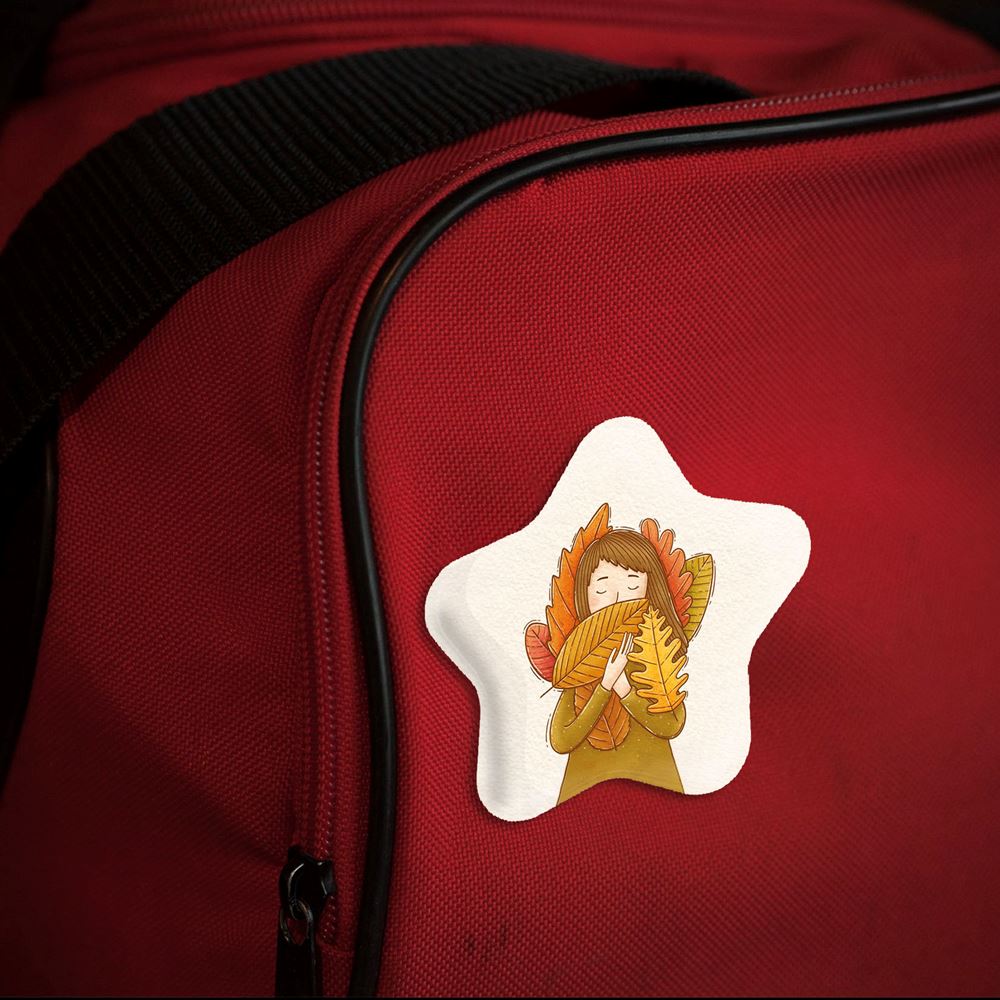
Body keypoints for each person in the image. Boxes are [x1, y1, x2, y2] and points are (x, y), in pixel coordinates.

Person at [549, 527, 687, 804]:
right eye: (602, 587)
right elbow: (561, 739)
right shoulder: (580, 662)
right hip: (583, 789)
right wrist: (604, 685)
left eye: (632, 585)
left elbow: (671, 724)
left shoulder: (653, 653)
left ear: (650, 589)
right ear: (585, 593)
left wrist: (624, 688)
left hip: (656, 783)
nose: (616, 597)